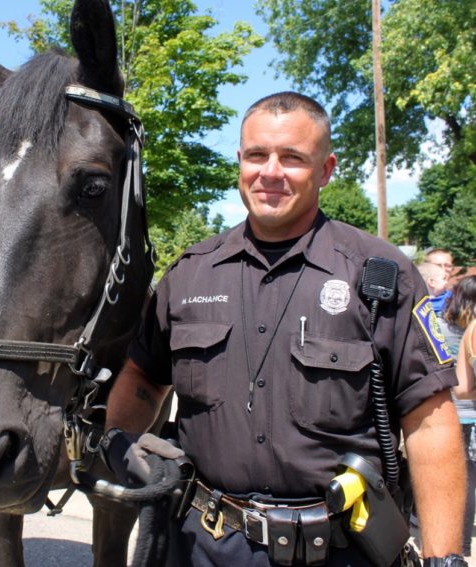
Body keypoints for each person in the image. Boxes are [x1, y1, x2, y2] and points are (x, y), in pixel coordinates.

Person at [103, 92, 465, 566]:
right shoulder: (190, 273)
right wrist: (117, 443)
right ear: (240, 161)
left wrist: (445, 559)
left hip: (339, 550)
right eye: (257, 155)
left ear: (326, 169)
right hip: (198, 547)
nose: (270, 172)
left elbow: (430, 423)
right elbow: (144, 376)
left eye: (292, 157)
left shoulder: (378, 274)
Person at [442, 276, 476, 557]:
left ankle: (460, 545)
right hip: (464, 415)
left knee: (461, 480)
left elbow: (463, 389)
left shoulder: (464, 331)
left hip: (452, 410)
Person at [425, 248, 455, 316]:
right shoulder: (415, 298)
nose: (443, 269)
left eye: (448, 266)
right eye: (437, 265)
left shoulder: (456, 300)